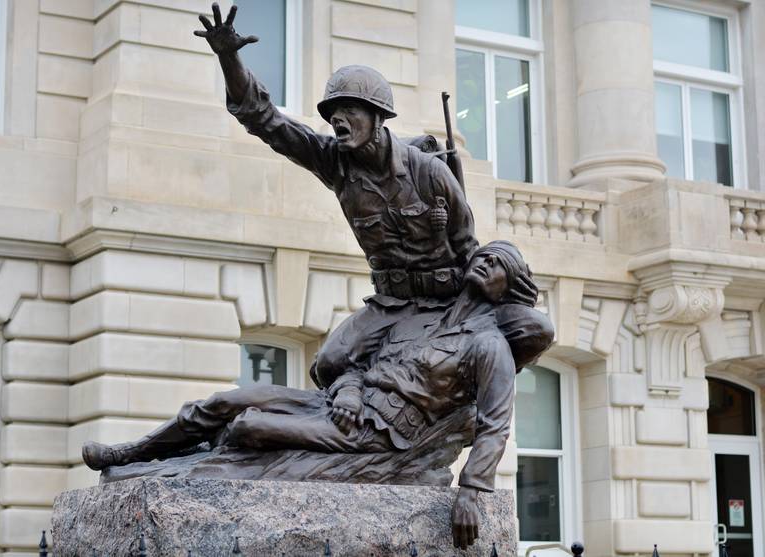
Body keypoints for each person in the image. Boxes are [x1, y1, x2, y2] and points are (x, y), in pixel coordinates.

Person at [82, 240, 553, 550]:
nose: (486, 261)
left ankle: (172, 467)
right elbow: (353, 365)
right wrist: (346, 389)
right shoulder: (418, 316)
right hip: (342, 406)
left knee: (246, 426)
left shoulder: (488, 346)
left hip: (377, 434)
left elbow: (495, 424)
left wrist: (472, 489)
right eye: (485, 254)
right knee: (223, 403)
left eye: (500, 264)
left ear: (506, 288)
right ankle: (131, 455)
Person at [192, 3, 553, 393]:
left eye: (349, 110)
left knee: (534, 331)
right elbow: (265, 119)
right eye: (333, 114)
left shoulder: (429, 172)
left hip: (444, 304)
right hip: (390, 304)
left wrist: (479, 308)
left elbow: (468, 248)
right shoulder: (334, 162)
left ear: (379, 117)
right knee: (328, 366)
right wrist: (230, 57)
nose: (338, 120)